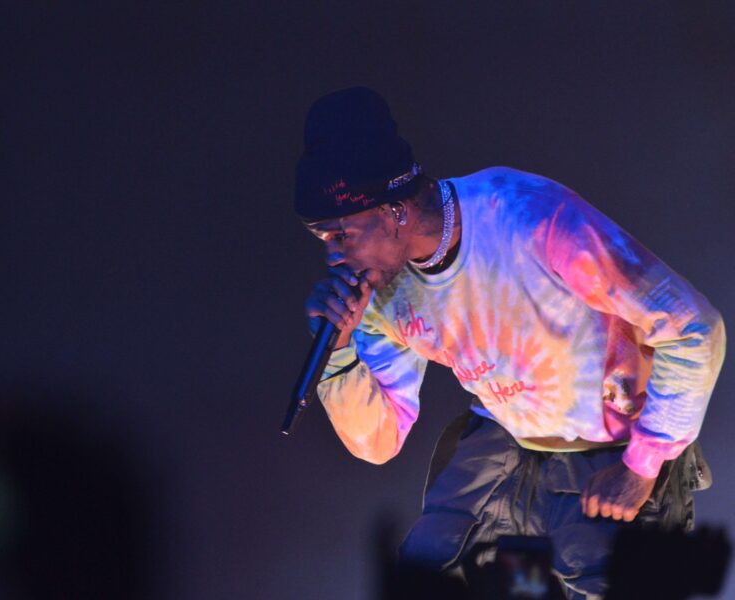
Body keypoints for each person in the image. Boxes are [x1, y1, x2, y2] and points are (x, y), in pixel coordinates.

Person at [294, 87, 725, 598]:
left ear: (395, 212)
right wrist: (339, 353)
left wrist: (643, 465)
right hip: (506, 449)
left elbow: (693, 328)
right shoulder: (378, 293)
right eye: (322, 239)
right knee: (430, 577)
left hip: (608, 449)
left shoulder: (525, 216)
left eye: (341, 235)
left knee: (612, 577)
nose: (333, 257)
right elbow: (377, 443)